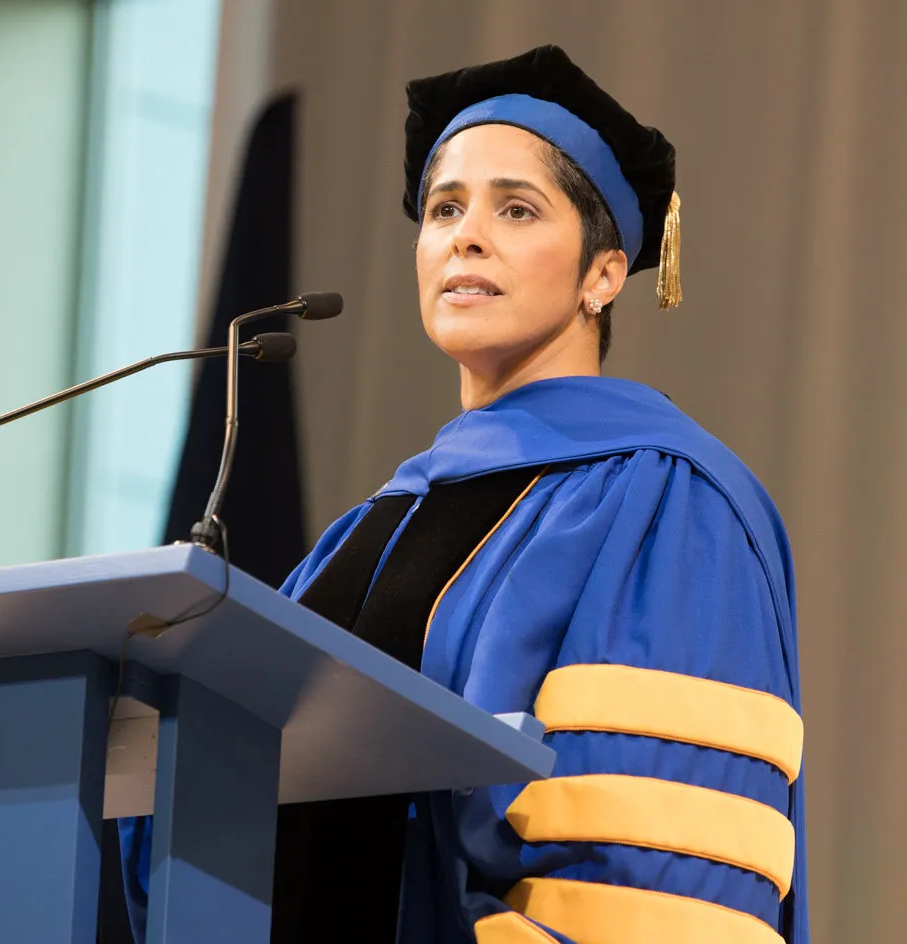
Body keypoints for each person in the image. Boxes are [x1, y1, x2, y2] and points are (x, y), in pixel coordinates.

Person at [123, 45, 807, 944]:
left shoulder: (667, 504)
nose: (464, 235)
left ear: (605, 272)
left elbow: (649, 873)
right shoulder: (370, 530)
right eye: (444, 208)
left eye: (515, 209)